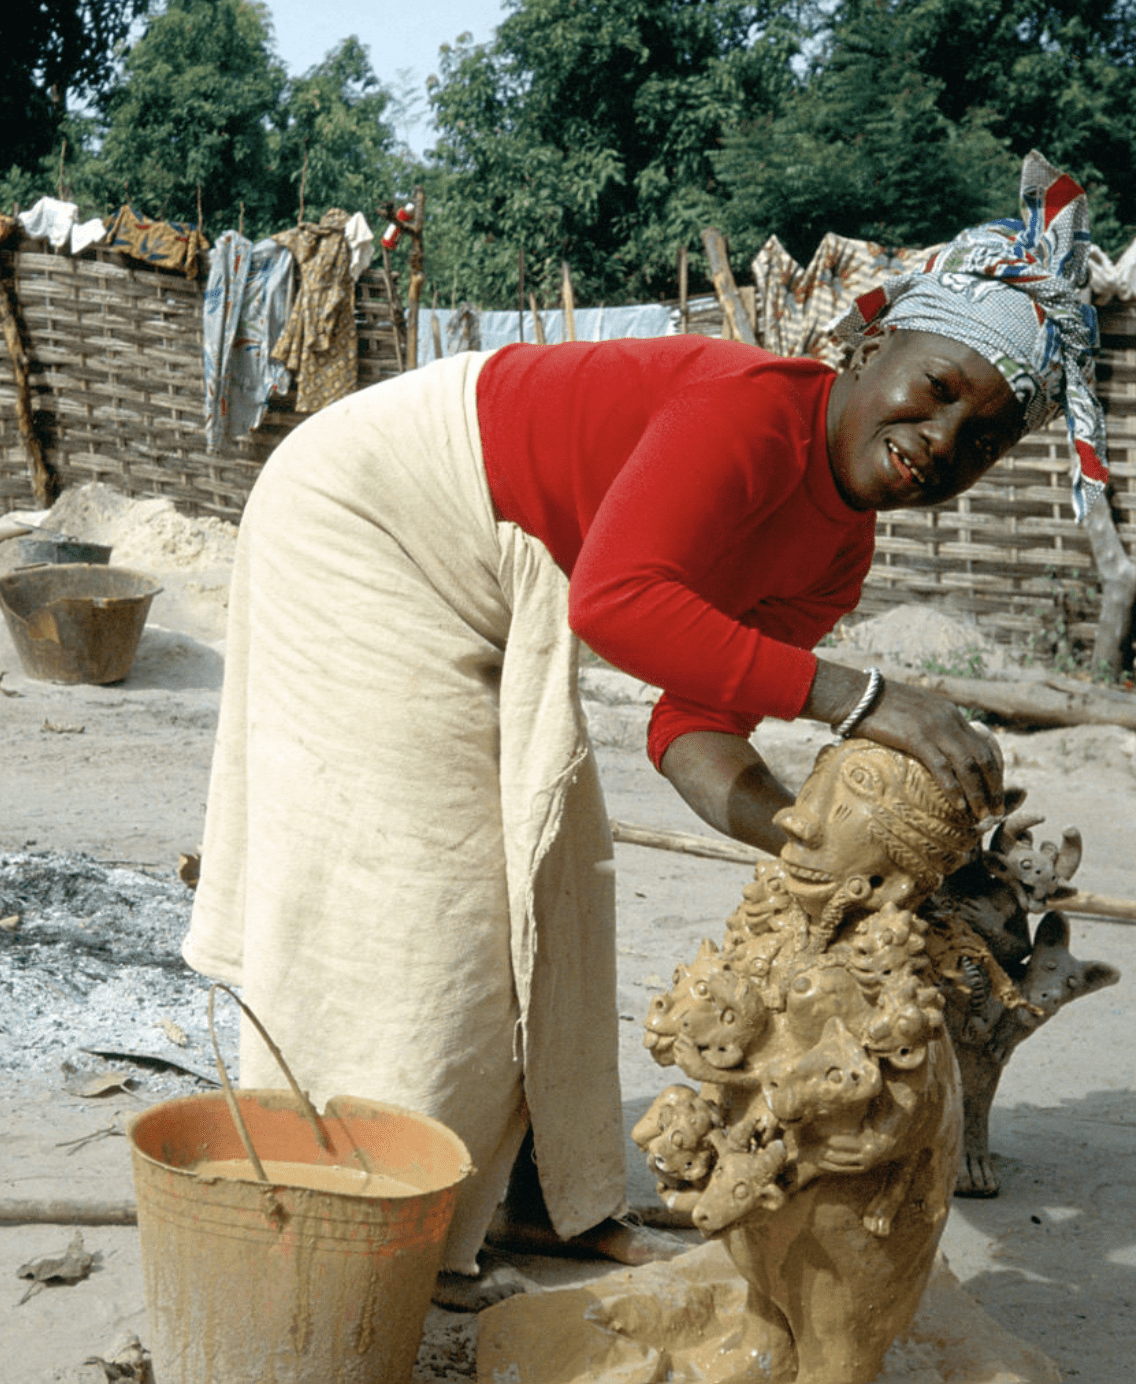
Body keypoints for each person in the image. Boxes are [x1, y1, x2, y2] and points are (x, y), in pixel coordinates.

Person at [183, 149, 1108, 1306]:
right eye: (935, 387)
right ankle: (378, 1223)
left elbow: (692, 720)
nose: (941, 438)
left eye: (980, 438)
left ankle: (535, 1201)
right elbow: (617, 604)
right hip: (369, 513)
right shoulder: (748, 407)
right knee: (427, 888)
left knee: (558, 878)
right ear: (867, 352)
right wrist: (863, 699)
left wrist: (800, 839)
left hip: (496, 566)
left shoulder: (835, 551)